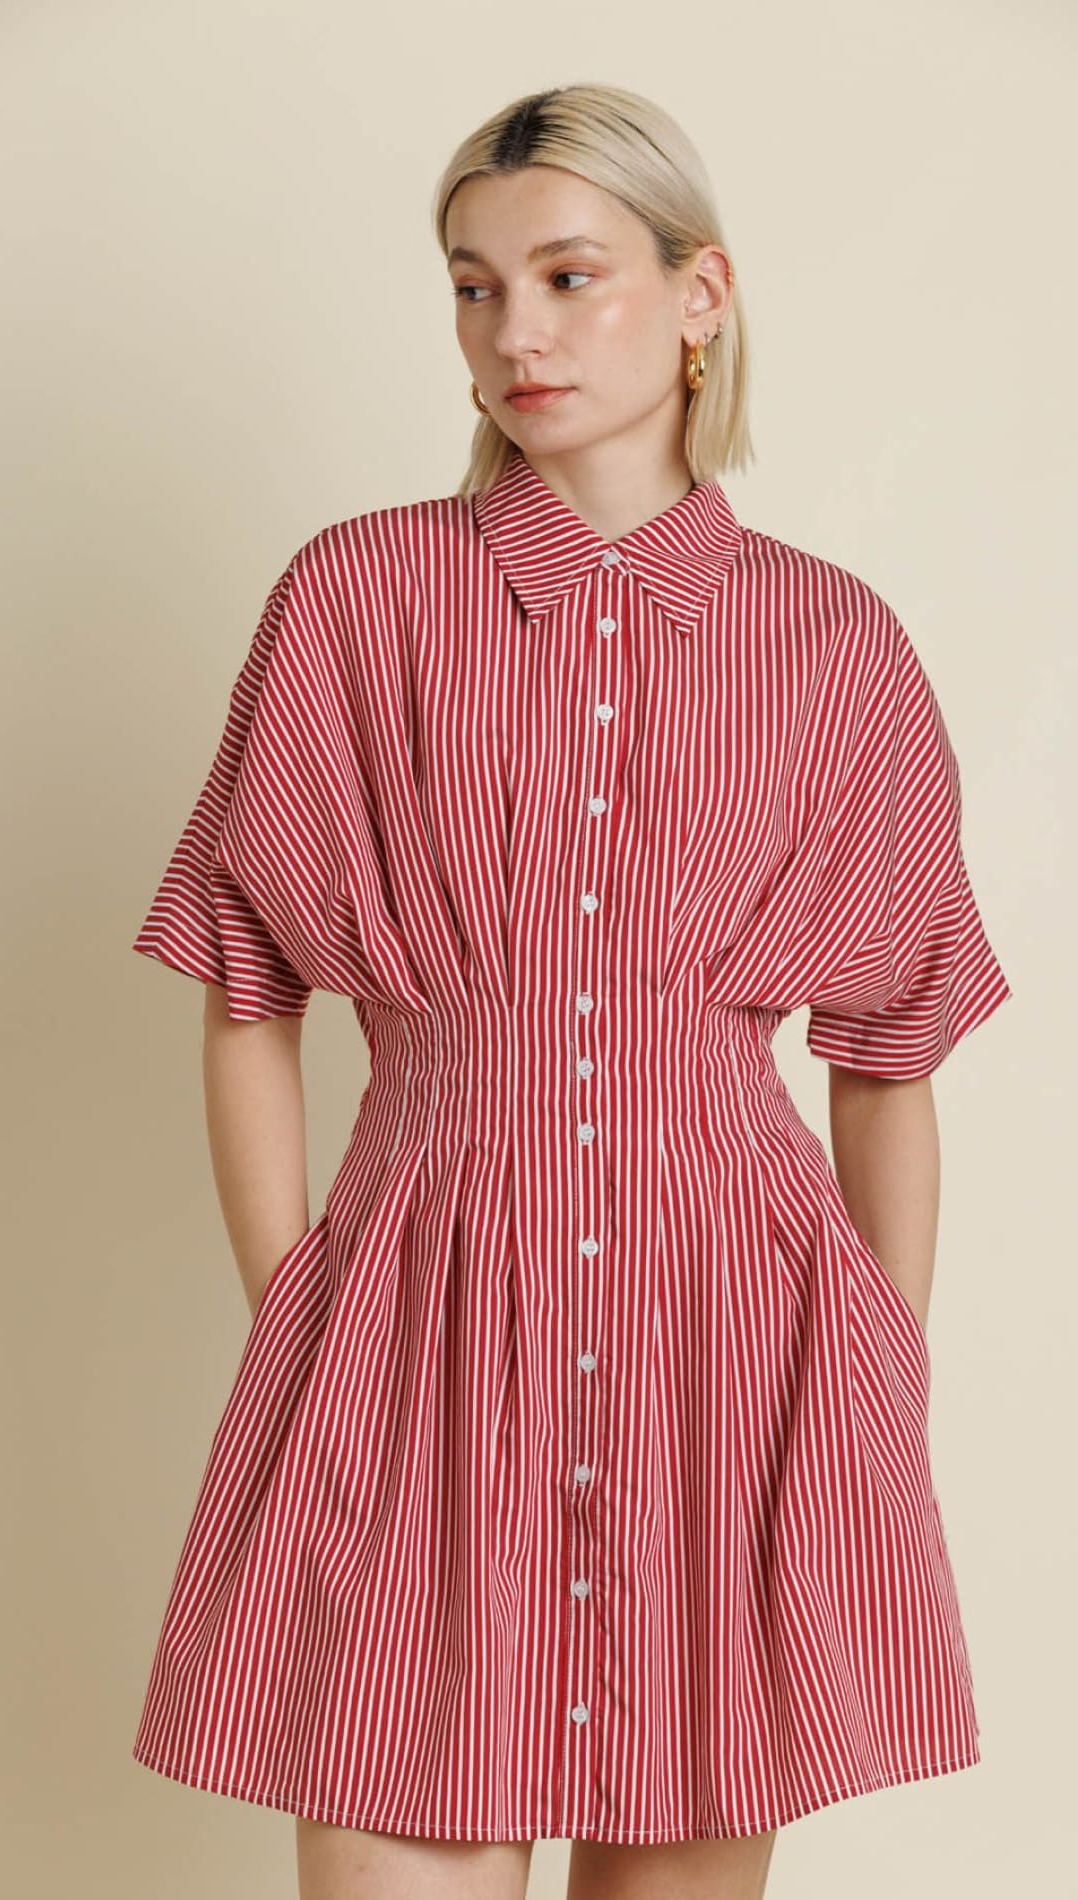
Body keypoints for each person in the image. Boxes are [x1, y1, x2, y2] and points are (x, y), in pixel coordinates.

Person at [128, 82, 1011, 1900]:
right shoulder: (358, 603)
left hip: (735, 1347)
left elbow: (889, 1053)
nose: (512, 334)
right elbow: (245, 978)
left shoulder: (834, 646)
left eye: (566, 276)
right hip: (418, 1321)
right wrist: (298, 1300)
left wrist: (878, 1379)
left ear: (701, 296)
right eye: (471, 287)